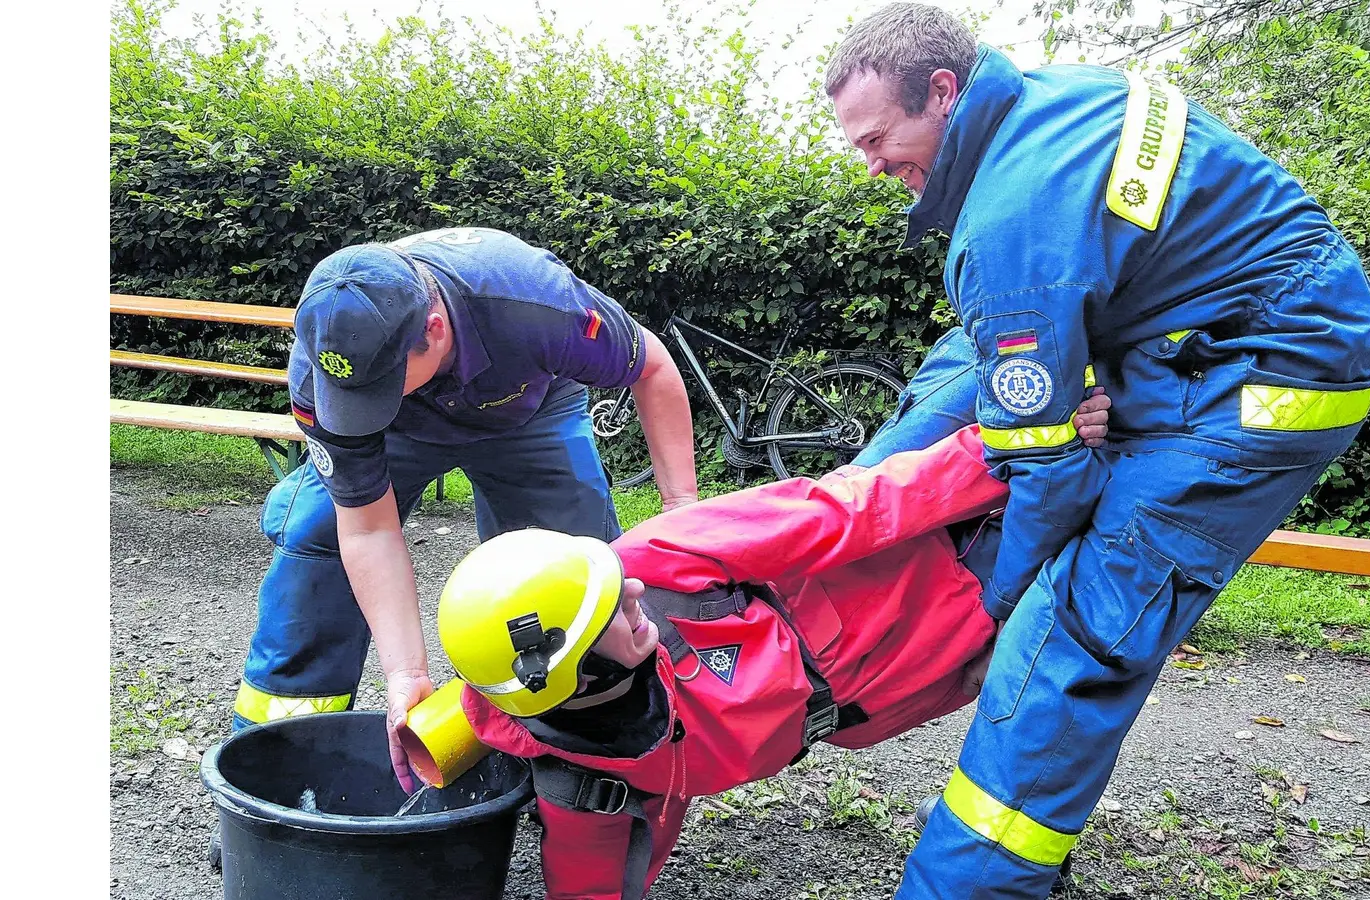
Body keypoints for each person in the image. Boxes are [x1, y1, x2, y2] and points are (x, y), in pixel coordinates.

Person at [822, 5, 1370, 897]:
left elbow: (1045, 474)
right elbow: (987, 348)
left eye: (878, 138)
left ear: (942, 92)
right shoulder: (1045, 109)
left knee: (1066, 638)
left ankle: (966, 884)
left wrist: (983, 607)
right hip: (1213, 332)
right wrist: (866, 481)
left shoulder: (1013, 221)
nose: (872, 164)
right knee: (983, 390)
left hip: (1269, 380)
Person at [435, 396, 1113, 900]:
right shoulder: (584, 779)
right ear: (577, 680)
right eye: (610, 609)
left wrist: (995, 454)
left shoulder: (653, 561)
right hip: (911, 672)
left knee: (1084, 429)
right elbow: (593, 887)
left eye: (612, 584)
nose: (632, 587)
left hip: (926, 551)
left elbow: (834, 512)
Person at [235, 226, 699, 793]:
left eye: (383, 381)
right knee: (317, 541)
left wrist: (680, 513)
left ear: (434, 330)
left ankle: (573, 767)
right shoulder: (328, 372)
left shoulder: (529, 300)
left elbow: (652, 367)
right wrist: (406, 675)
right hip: (396, 435)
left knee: (582, 579)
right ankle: (279, 778)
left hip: (530, 411)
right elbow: (367, 530)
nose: (364, 397)